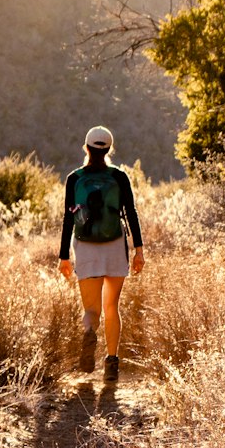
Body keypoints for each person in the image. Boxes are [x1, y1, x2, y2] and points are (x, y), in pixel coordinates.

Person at [58, 125, 144, 380]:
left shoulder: (75, 178)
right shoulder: (119, 177)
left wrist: (63, 256)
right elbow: (131, 213)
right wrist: (139, 250)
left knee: (92, 310)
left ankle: (89, 332)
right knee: (111, 306)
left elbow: (68, 219)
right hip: (115, 246)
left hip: (85, 247)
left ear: (85, 148)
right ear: (109, 149)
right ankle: (111, 365)